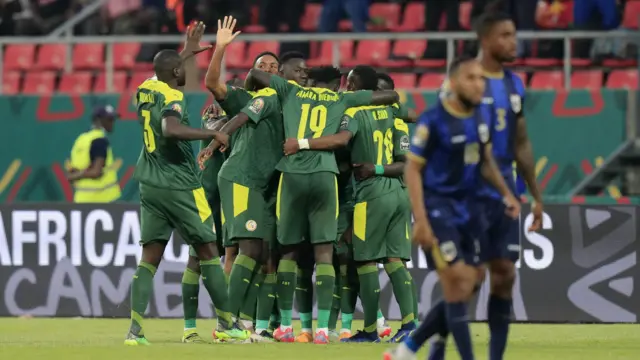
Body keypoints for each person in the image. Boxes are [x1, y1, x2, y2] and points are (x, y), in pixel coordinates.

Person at [223, 66, 398, 344]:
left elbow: (256, 73)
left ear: (312, 81)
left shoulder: (291, 89)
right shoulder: (343, 99)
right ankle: (323, 330)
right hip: (326, 176)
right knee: (325, 253)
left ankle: (284, 328)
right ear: (338, 83)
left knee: (288, 252)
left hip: (291, 177)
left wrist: (252, 91)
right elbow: (391, 96)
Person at [383, 55, 521, 360]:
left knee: (471, 283)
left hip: (469, 211)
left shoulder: (479, 119)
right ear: (454, 82)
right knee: (459, 280)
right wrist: (420, 219)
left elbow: (485, 162)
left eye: (482, 78)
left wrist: (506, 194)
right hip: (437, 210)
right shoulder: (433, 121)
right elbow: (412, 170)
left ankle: (414, 346)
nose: (479, 84)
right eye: (471, 78)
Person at [124, 25, 249, 345]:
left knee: (149, 258)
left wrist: (188, 49)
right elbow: (170, 128)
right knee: (208, 250)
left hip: (149, 184)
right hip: (180, 184)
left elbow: (165, 67)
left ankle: (134, 331)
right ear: (175, 72)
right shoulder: (173, 97)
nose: (186, 73)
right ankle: (227, 323)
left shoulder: (144, 88)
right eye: (182, 69)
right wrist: (212, 133)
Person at [282, 65, 416, 343]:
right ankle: (410, 325)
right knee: (394, 260)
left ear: (357, 86)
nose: (345, 88)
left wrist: (303, 144)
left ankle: (369, 330)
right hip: (400, 194)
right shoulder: (395, 115)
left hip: (371, 194)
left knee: (365, 262)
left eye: (350, 83)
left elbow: (342, 140)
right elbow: (407, 155)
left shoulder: (352, 112)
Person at [66, 105, 121, 203]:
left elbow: (70, 175)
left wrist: (78, 174)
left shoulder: (81, 139)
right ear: (99, 120)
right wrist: (83, 173)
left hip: (81, 200)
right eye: (109, 119)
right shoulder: (99, 140)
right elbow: (96, 172)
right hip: (102, 201)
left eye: (113, 119)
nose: (112, 122)